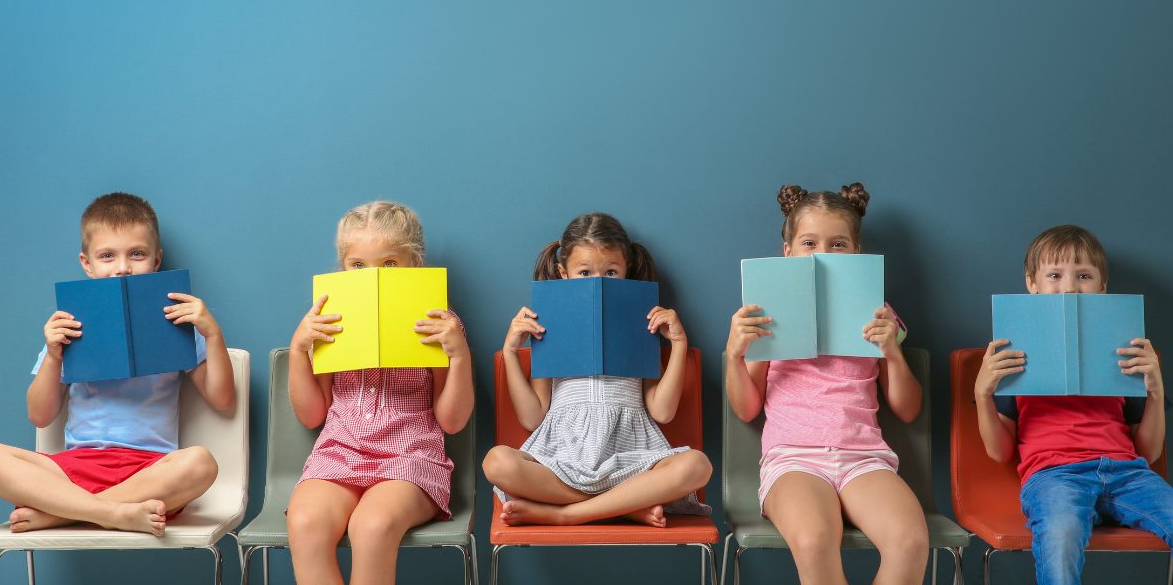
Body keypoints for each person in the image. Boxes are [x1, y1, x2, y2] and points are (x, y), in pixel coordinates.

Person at [0, 192, 234, 536]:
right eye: (107, 256)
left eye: (136, 254)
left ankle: (65, 515)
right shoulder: (69, 326)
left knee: (201, 463)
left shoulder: (179, 323)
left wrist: (213, 334)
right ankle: (112, 513)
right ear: (87, 264)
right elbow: (40, 415)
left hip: (148, 472)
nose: (122, 267)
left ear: (156, 261)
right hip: (74, 469)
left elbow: (222, 399)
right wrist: (54, 355)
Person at [725, 183, 928, 585]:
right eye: (809, 242)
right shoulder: (764, 314)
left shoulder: (880, 314)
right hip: (793, 459)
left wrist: (892, 351)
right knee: (815, 540)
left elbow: (908, 408)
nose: (822, 253)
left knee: (909, 542)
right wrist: (734, 354)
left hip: (864, 457)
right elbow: (747, 408)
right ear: (788, 252)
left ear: (856, 253)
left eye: (837, 244)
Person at [482, 212, 711, 527]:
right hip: (564, 455)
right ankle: (626, 507)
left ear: (627, 270)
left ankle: (566, 514)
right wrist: (510, 351)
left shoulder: (640, 322)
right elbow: (532, 417)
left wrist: (679, 343)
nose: (599, 281)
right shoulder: (548, 324)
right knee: (497, 462)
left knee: (697, 465)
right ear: (564, 273)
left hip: (630, 457)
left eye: (612, 272)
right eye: (585, 271)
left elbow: (662, 411)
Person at [286, 201, 473, 585]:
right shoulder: (328, 320)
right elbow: (311, 415)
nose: (373, 275)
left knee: (370, 527)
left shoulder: (438, 323)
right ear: (343, 269)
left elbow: (452, 421)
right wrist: (298, 350)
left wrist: (457, 355)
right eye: (358, 265)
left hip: (411, 459)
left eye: (389, 264)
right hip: (339, 454)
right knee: (304, 522)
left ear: (414, 266)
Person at [975, 224, 1172, 585]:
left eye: (1083, 276)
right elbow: (1000, 452)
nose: (1069, 287)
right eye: (1054, 275)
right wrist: (982, 394)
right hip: (1055, 476)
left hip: (1128, 473)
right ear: (1032, 284)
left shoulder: (1125, 350)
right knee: (1060, 537)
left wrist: (1156, 393)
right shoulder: (1012, 356)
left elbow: (1149, 448)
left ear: (1102, 289)